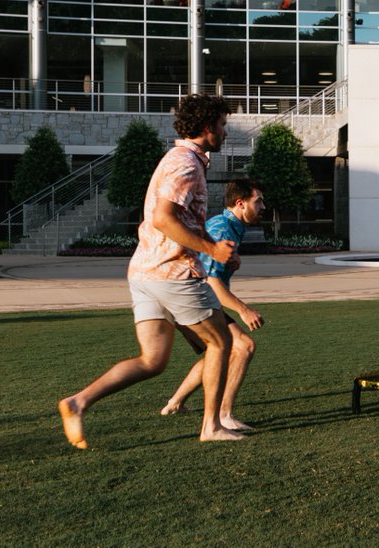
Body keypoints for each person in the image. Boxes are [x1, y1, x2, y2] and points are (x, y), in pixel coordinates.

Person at [58, 93, 242, 448]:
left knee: (153, 360)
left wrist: (215, 249)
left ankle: (76, 402)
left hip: (144, 274)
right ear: (206, 127)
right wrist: (210, 249)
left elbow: (185, 219)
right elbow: (163, 219)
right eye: (222, 125)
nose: (225, 132)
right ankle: (212, 427)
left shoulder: (183, 160)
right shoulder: (185, 164)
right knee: (222, 342)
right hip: (172, 273)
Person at [161, 179, 266, 431]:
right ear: (240, 204)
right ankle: (224, 414)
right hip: (192, 297)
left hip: (188, 296)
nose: (263, 206)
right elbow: (213, 282)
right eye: (258, 201)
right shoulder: (222, 230)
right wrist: (243, 309)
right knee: (243, 346)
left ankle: (175, 403)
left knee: (217, 351)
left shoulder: (231, 227)